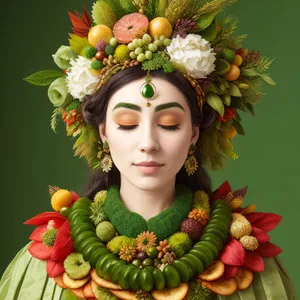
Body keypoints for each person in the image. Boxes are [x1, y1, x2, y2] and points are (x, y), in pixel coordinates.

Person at [0, 0, 297, 299]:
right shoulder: (45, 261)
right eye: (127, 123)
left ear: (194, 133)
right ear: (103, 133)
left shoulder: (246, 256)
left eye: (169, 124)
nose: (148, 144)